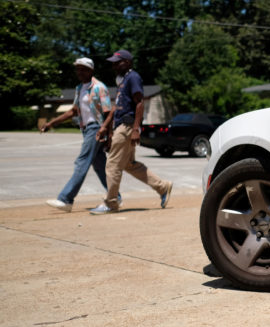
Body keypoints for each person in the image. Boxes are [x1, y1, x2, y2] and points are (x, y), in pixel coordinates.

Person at [90, 49, 173, 214]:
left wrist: (136, 129)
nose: (114, 65)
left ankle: (111, 203)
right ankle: (163, 187)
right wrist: (105, 126)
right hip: (122, 125)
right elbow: (115, 108)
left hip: (127, 126)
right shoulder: (123, 80)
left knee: (112, 164)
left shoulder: (133, 77)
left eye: (117, 62)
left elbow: (140, 103)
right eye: (112, 63)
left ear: (127, 62)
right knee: (129, 164)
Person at [42, 57, 114, 212]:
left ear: (90, 70)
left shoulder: (99, 87)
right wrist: (51, 123)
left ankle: (66, 199)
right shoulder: (79, 88)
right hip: (87, 129)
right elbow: (73, 111)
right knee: (100, 167)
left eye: (83, 69)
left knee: (82, 162)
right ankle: (115, 197)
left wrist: (109, 135)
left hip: (97, 128)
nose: (79, 72)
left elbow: (109, 112)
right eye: (77, 69)